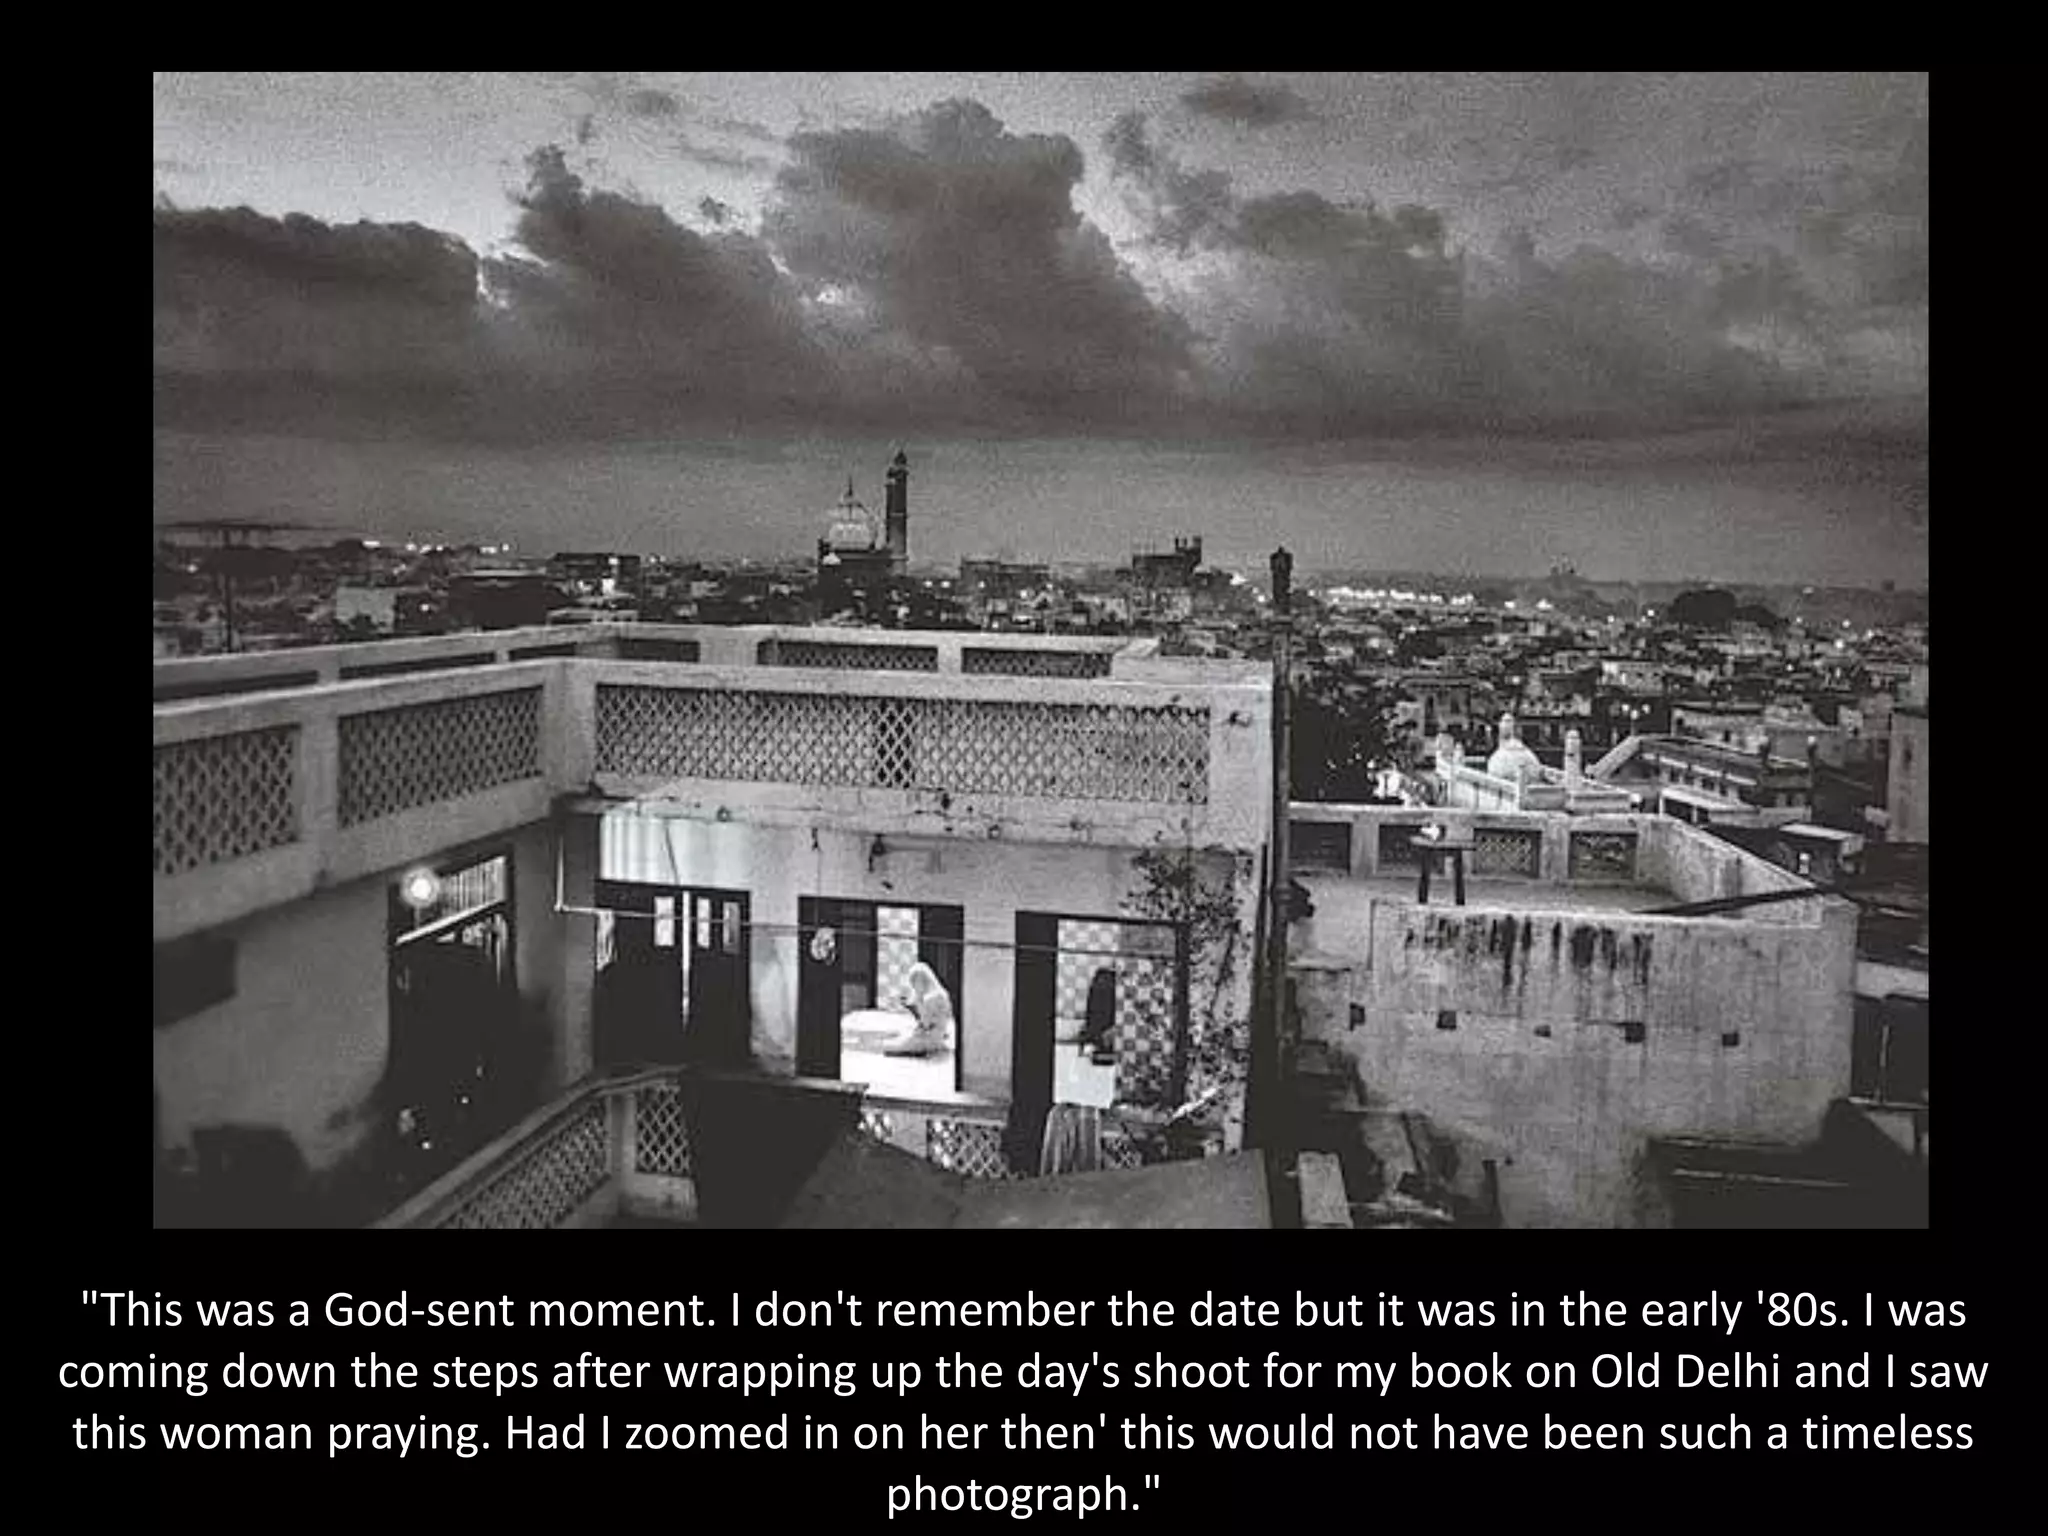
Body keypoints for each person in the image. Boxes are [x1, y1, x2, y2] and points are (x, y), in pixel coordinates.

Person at [883, 962, 954, 1057]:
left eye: (914, 983)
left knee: (888, 1047)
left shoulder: (932, 998)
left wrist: (919, 1000)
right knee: (899, 1036)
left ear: (921, 980)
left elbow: (926, 1024)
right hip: (936, 1036)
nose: (913, 987)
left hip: (928, 1040)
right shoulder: (939, 994)